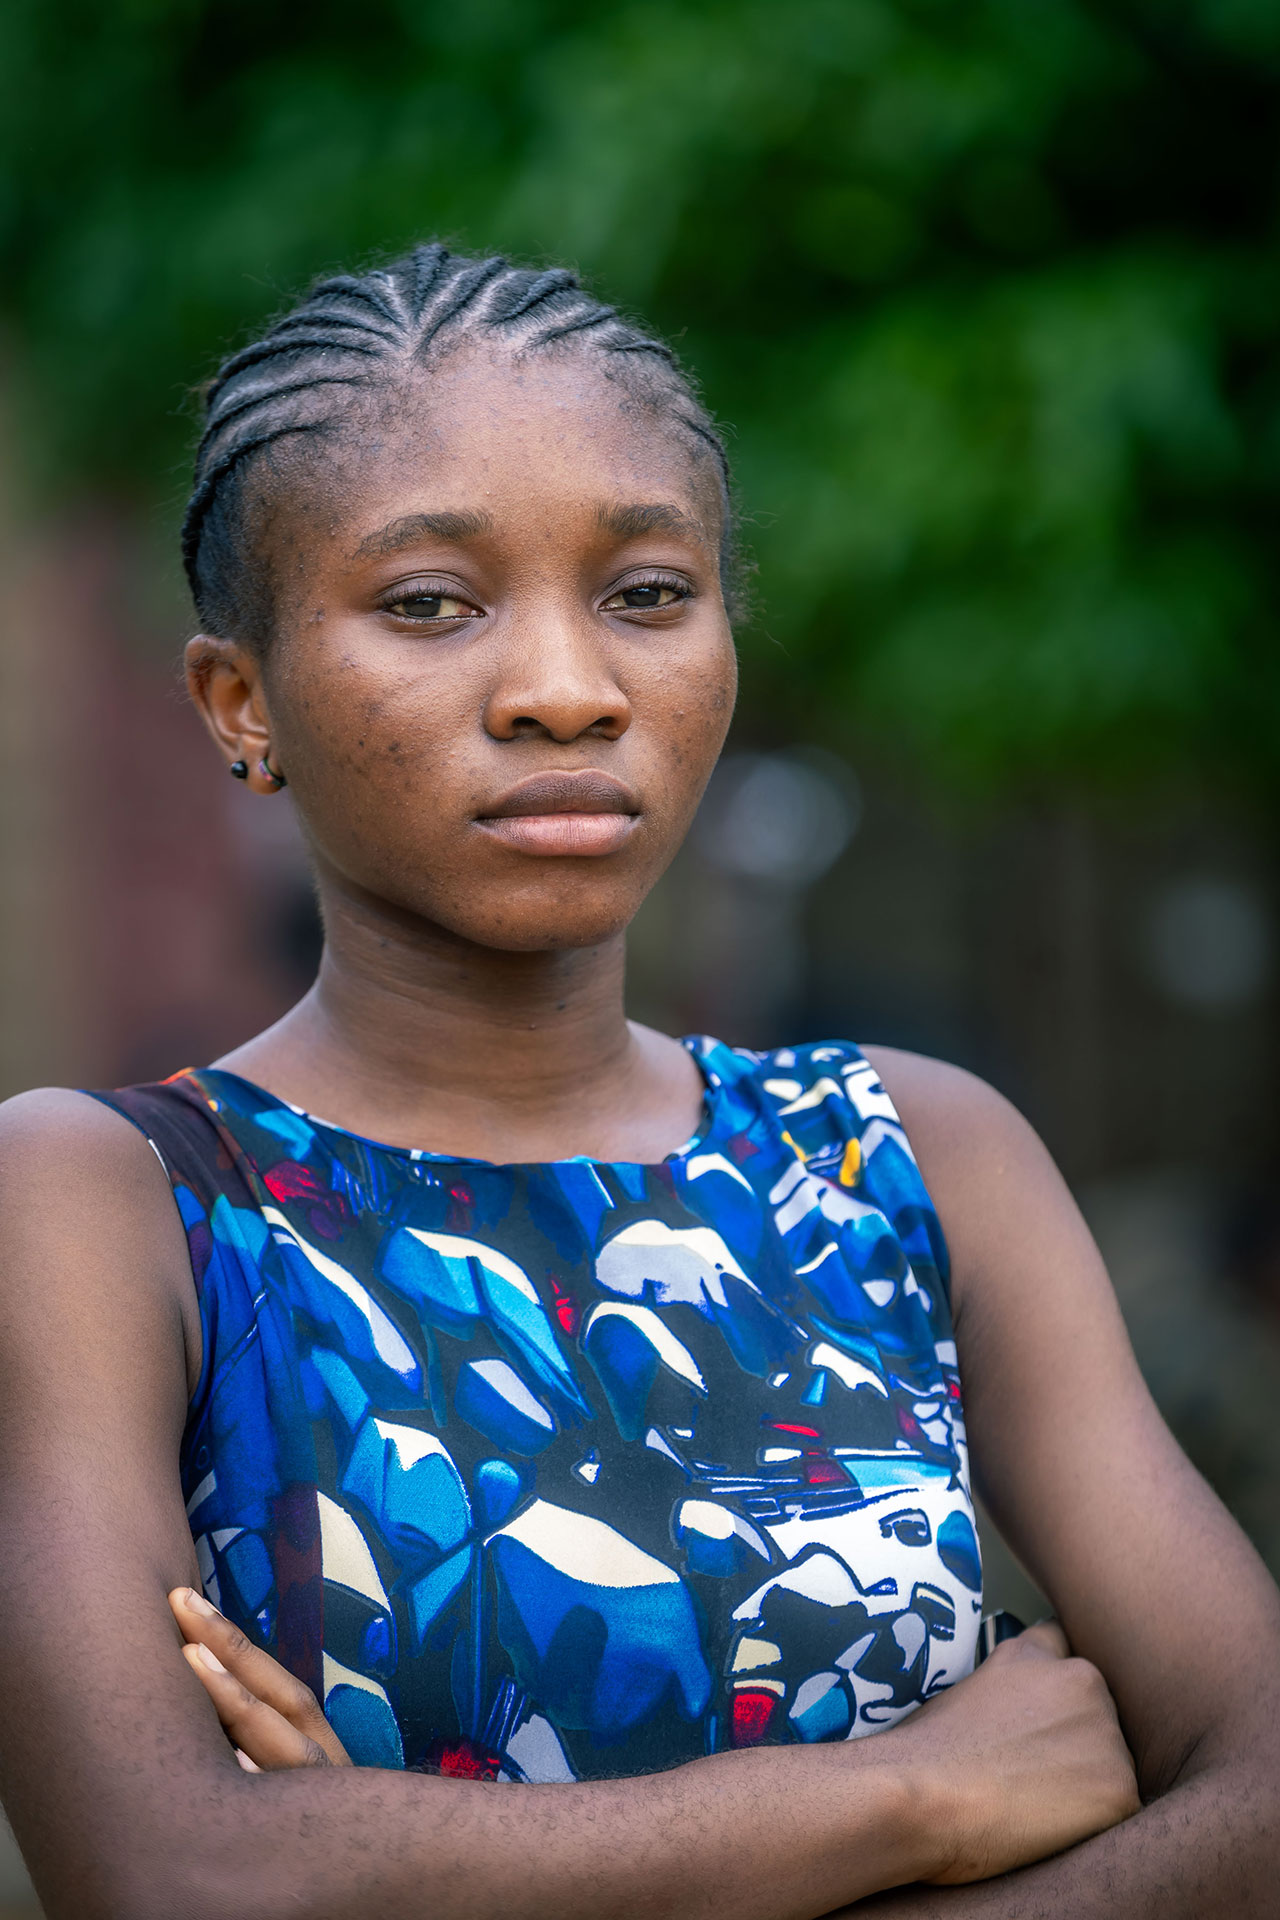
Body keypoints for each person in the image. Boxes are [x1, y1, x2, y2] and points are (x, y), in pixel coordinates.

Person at [0, 242, 1274, 1920]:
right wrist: (920, 1795)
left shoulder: (906, 1157)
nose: (565, 692)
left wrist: (404, 1864)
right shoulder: (110, 1207)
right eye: (430, 605)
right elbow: (180, 1874)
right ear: (244, 703)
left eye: (647, 595)